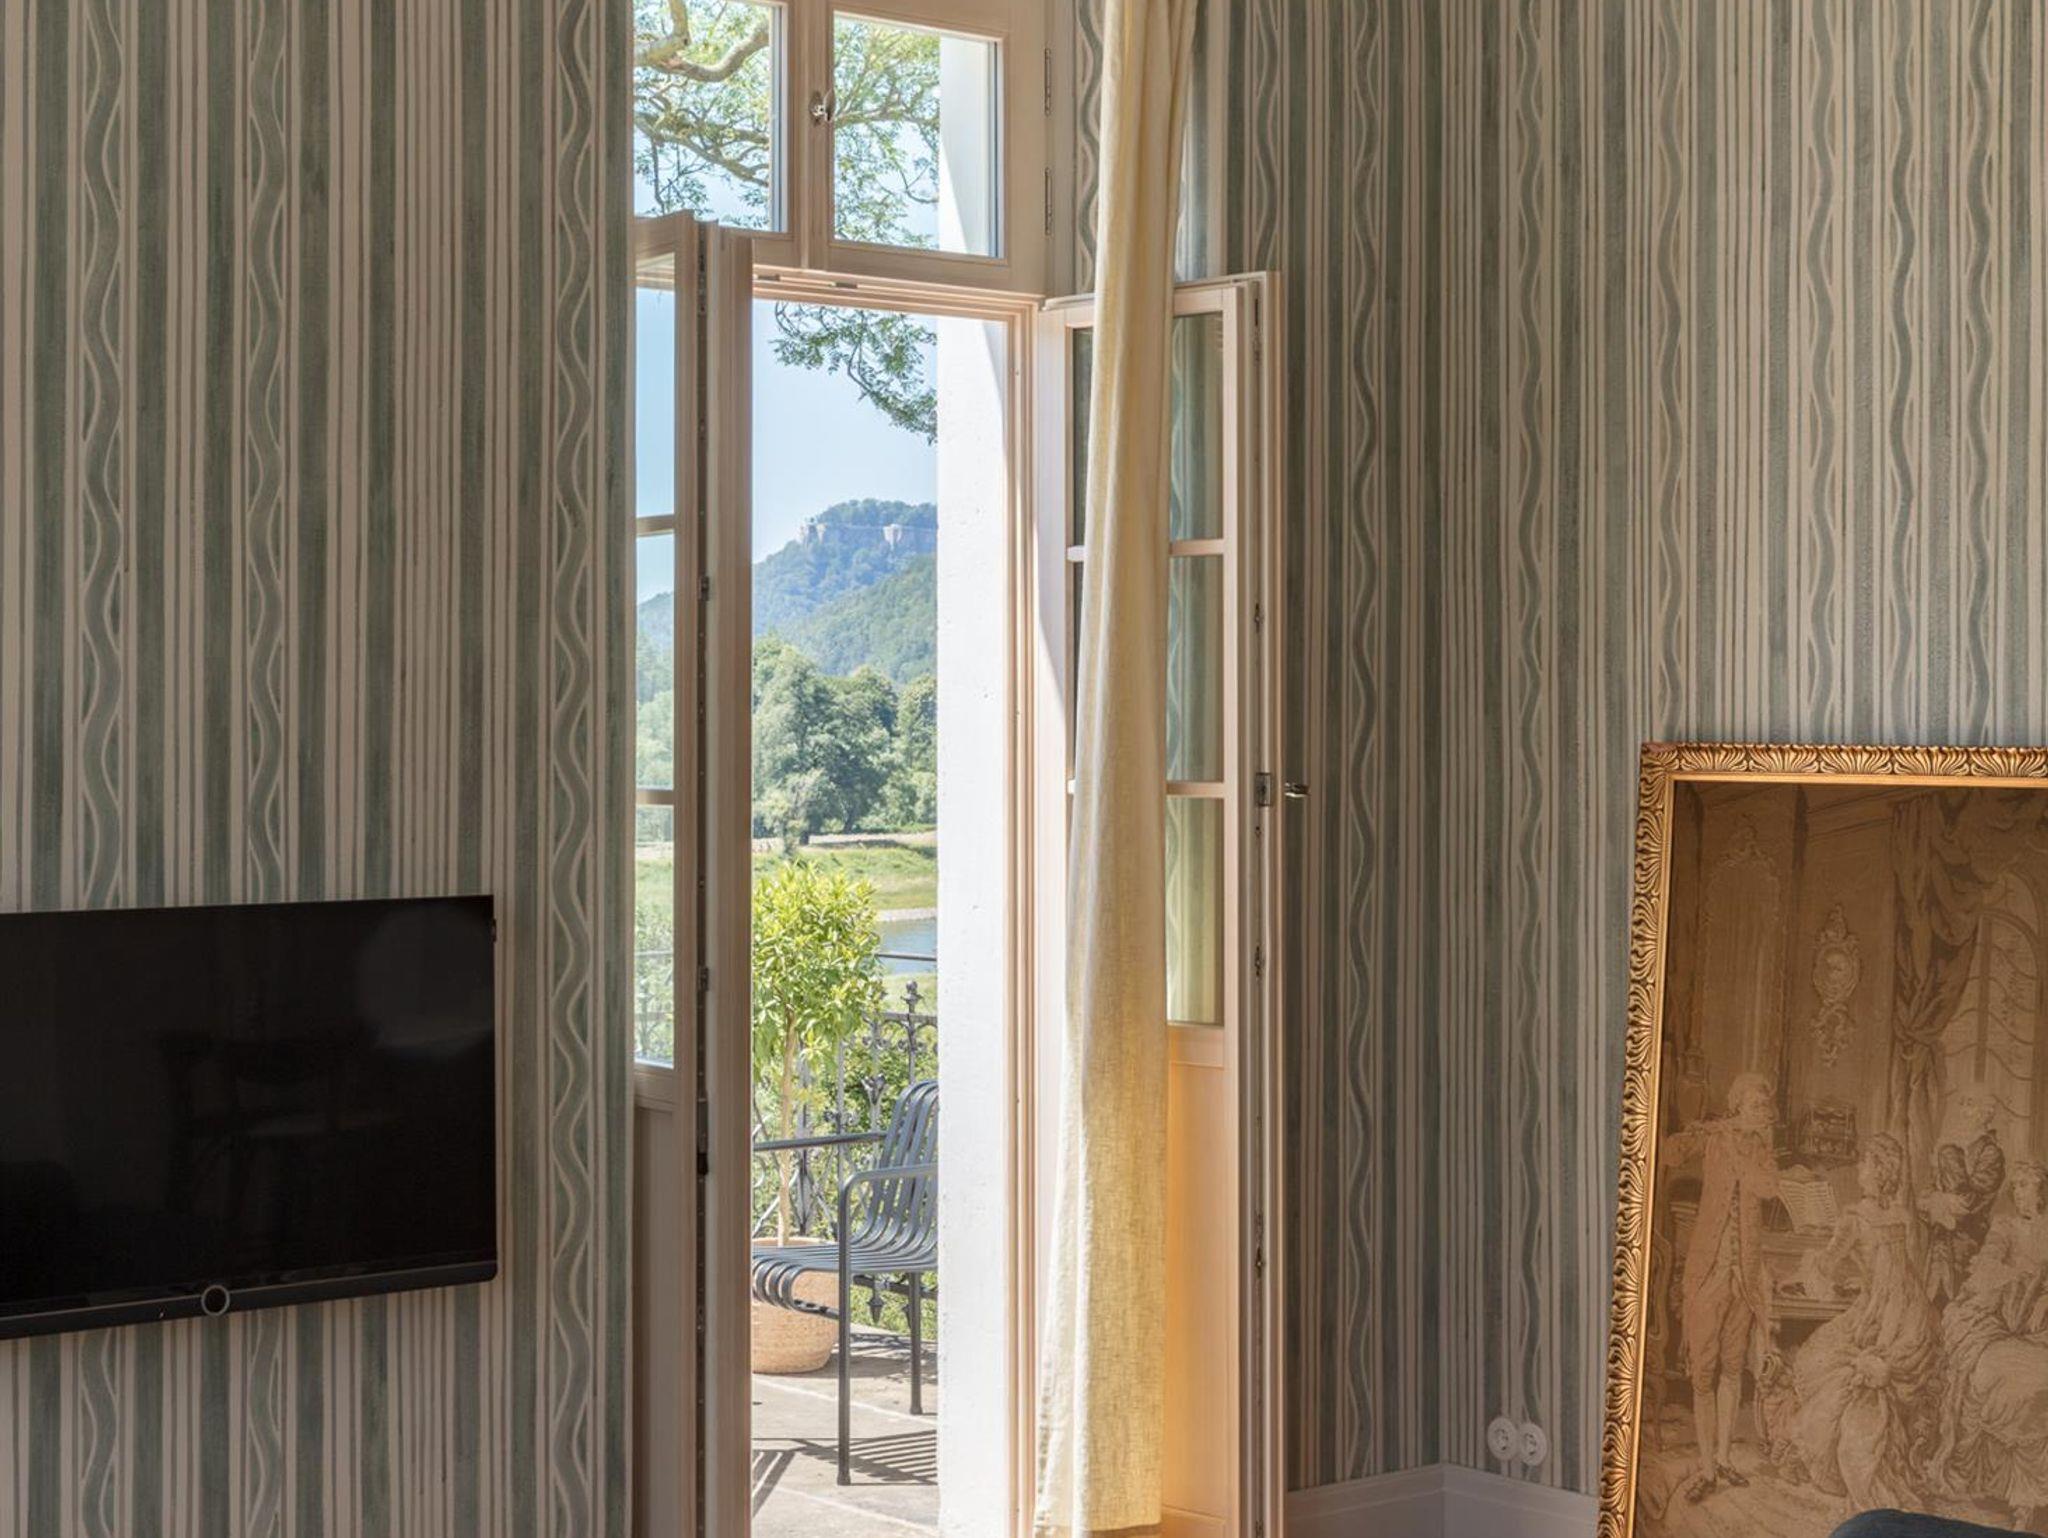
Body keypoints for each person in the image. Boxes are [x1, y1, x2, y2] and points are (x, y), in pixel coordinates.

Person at [1791, 1134, 1944, 1514]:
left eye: (1865, 1163)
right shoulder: (1902, 1215)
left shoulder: (1854, 1217)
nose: (1859, 1169)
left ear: (1878, 1171)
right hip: (1911, 1315)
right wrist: (1865, 1283)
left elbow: (1826, 1266)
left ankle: (1832, 1453)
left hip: (1878, 1315)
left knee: (1818, 1356)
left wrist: (1802, 1272)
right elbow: (1897, 1271)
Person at [1664, 1071, 1784, 1502]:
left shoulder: (1761, 1150)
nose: (1761, 1112)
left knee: (1733, 1368)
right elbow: (1670, 1154)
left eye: (1764, 1107)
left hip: (1743, 1276)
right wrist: (1706, 1130)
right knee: (1703, 1372)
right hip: (1708, 1269)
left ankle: (1724, 1459)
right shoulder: (1716, 1139)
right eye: (1753, 1106)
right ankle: (1707, 1468)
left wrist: (1744, 1144)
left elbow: (1766, 1187)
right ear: (1737, 1107)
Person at [1923, 1090, 2008, 1306]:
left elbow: (1966, 1203)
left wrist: (1949, 1155)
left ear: (1985, 1113)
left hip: (1968, 1241)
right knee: (1932, 1303)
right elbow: (1926, 1197)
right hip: (1938, 1240)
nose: (1963, 1112)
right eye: (1962, 1105)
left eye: (1970, 1105)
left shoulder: (1990, 1152)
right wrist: (1937, 1199)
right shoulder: (1956, 1146)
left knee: (1958, 1303)